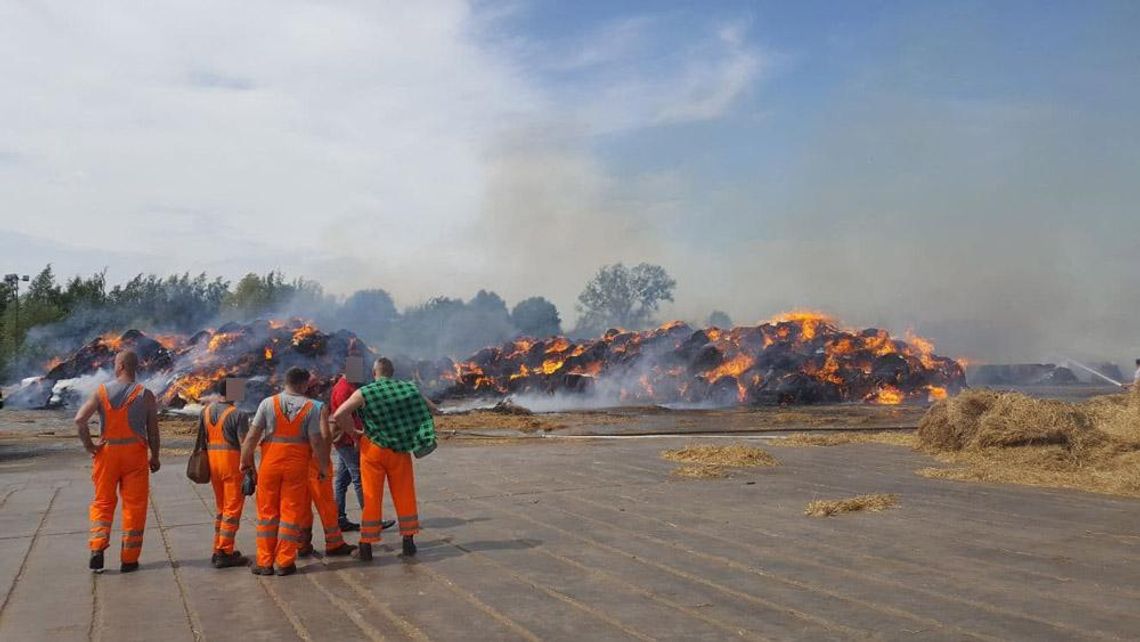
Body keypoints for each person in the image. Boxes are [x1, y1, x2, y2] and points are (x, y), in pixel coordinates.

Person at [331, 357, 436, 561]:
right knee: (405, 493)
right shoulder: (408, 388)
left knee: (371, 496)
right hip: (400, 449)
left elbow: (339, 414)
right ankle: (408, 541)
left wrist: (353, 432)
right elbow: (431, 408)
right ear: (392, 372)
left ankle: (367, 545)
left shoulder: (365, 391)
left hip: (373, 449)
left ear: (374, 373)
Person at [74, 350, 160, 573]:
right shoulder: (146, 394)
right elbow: (153, 431)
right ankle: (129, 559)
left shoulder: (101, 392)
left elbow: (79, 419)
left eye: (115, 363)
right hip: (135, 455)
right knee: (134, 506)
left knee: (103, 502)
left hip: (107, 453)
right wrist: (156, 456)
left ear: (121, 365)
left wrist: (90, 446)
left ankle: (97, 550)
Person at [240, 367, 328, 576]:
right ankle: (285, 562)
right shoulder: (311, 407)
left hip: (270, 463)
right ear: (303, 384)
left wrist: (245, 461)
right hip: (297, 465)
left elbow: (252, 436)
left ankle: (264, 562)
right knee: (290, 512)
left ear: (286, 382)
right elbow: (316, 440)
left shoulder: (268, 403)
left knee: (267, 513)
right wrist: (323, 466)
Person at [296, 375, 356, 558]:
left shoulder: (288, 406)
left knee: (302, 507)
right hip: (316, 462)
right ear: (311, 389)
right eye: (316, 388)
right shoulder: (317, 407)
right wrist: (325, 462)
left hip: (297, 464)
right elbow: (324, 435)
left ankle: (302, 544)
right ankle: (334, 544)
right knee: (327, 506)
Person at [329, 370, 395, 533]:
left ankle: (339, 518)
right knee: (359, 477)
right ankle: (372, 520)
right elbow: (343, 416)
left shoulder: (350, 386)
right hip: (348, 440)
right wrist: (355, 437)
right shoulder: (343, 389)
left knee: (342, 480)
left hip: (346, 439)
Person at [200, 379, 250, 569]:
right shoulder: (238, 414)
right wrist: (250, 469)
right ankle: (225, 552)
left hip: (214, 465)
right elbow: (244, 444)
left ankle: (218, 547)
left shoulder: (205, 411)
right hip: (232, 466)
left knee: (222, 509)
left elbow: (202, 440)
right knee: (232, 510)